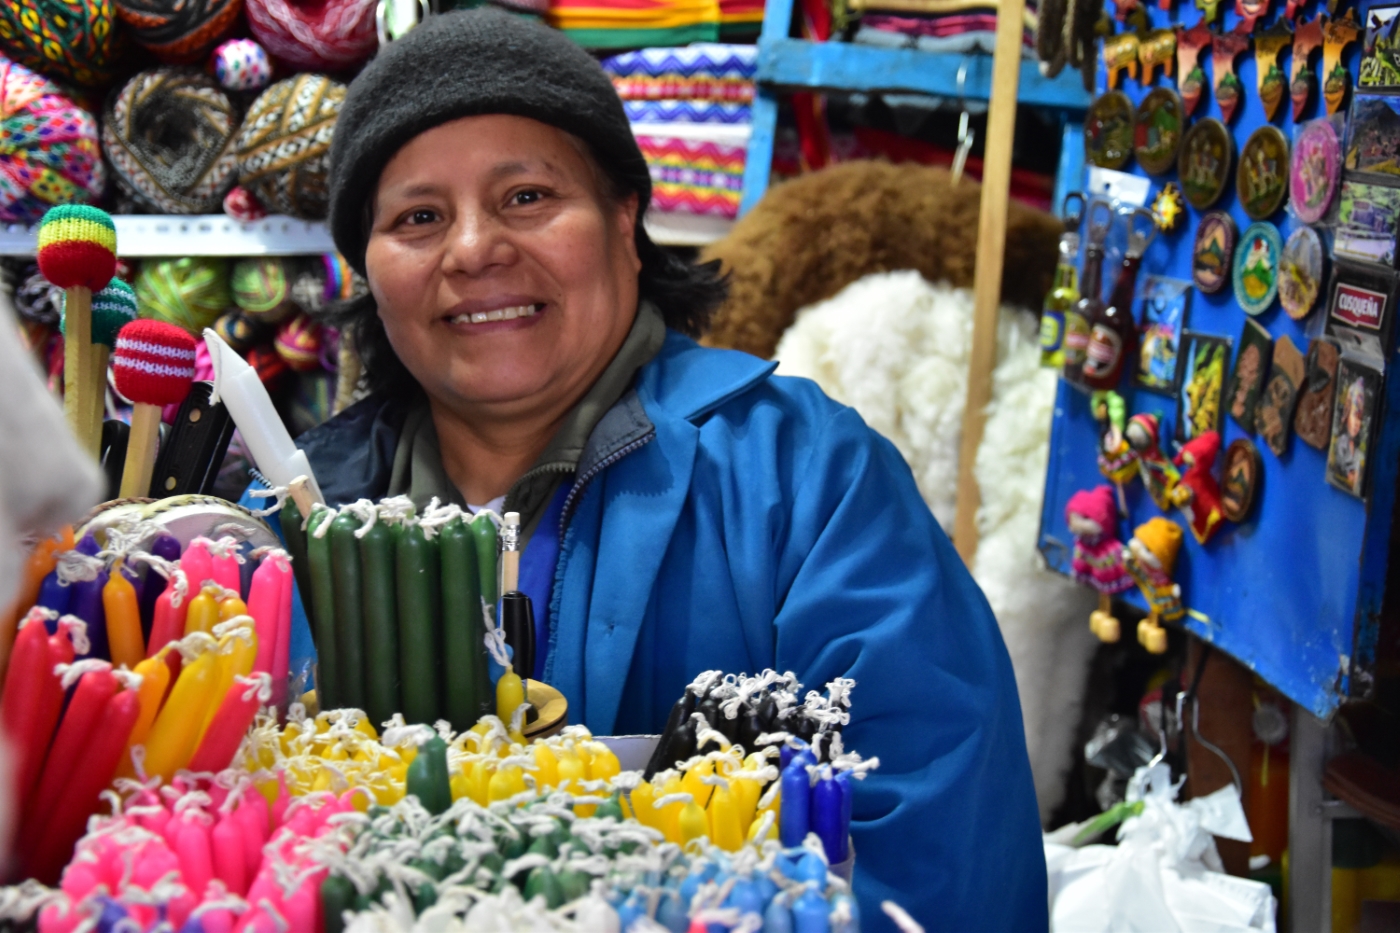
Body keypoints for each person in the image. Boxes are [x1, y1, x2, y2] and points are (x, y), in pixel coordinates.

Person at [296, 10, 1045, 929]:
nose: (473, 248)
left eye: (526, 196)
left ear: (625, 215)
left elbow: (939, 846)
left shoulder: (804, 478)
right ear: (368, 270)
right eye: (418, 216)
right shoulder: (299, 521)